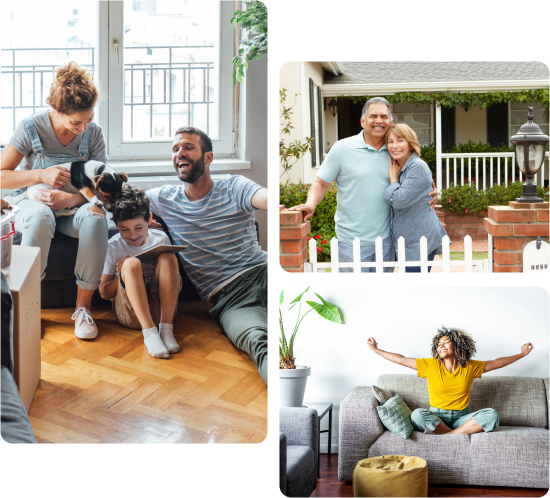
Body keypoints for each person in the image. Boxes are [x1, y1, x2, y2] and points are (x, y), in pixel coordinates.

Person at [145, 126, 268, 383]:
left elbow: (263, 197)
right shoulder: (164, 198)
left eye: (189, 147)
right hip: (231, 300)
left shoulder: (235, 186)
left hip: (265, 273)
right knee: (259, 343)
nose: (180, 153)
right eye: (176, 149)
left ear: (208, 158)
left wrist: (281, 205)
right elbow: (118, 201)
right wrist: (138, 218)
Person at [1, 62, 108, 339]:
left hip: (73, 210)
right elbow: (2, 176)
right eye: (76, 122)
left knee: (96, 216)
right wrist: (40, 175)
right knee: (39, 216)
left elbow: (102, 189)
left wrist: (72, 199)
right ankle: (30, 308)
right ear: (57, 112)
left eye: (89, 118)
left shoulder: (93, 133)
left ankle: (82, 309)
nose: (84, 128)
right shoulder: (31, 127)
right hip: (32, 203)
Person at [288, 97, 438, 272]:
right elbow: (321, 183)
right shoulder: (341, 148)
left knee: (379, 296)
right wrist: (311, 203)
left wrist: (433, 190)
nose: (379, 121)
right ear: (362, 121)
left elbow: (417, 179)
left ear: (390, 121)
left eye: (384, 116)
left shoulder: (396, 151)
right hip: (350, 243)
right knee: (353, 296)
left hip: (387, 242)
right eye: (373, 116)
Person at [367, 327, 534, 435]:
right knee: (417, 415)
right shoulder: (430, 365)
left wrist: (521, 354)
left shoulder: (470, 367)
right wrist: (376, 349)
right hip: (436, 417)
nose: (441, 346)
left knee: (492, 415)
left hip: (462, 417)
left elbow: (497, 362)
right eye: (439, 344)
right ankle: (457, 434)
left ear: (458, 346)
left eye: (446, 342)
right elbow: (401, 359)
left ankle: (448, 435)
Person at [98, 185, 182, 359]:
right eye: (124, 229)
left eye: (138, 228)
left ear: (149, 219)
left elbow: (170, 273)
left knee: (168, 257)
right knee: (131, 264)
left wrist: (159, 269)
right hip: (130, 314)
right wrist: (121, 273)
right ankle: (150, 333)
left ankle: (167, 330)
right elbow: (104, 292)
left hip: (161, 311)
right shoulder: (113, 247)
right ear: (116, 226)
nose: (133, 235)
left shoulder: (160, 238)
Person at [384, 124, 448, 272]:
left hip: (420, 241)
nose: (394, 146)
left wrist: (393, 180)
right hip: (408, 241)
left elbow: (399, 200)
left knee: (415, 289)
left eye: (400, 140)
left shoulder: (417, 166)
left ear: (410, 144)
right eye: (390, 141)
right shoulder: (400, 165)